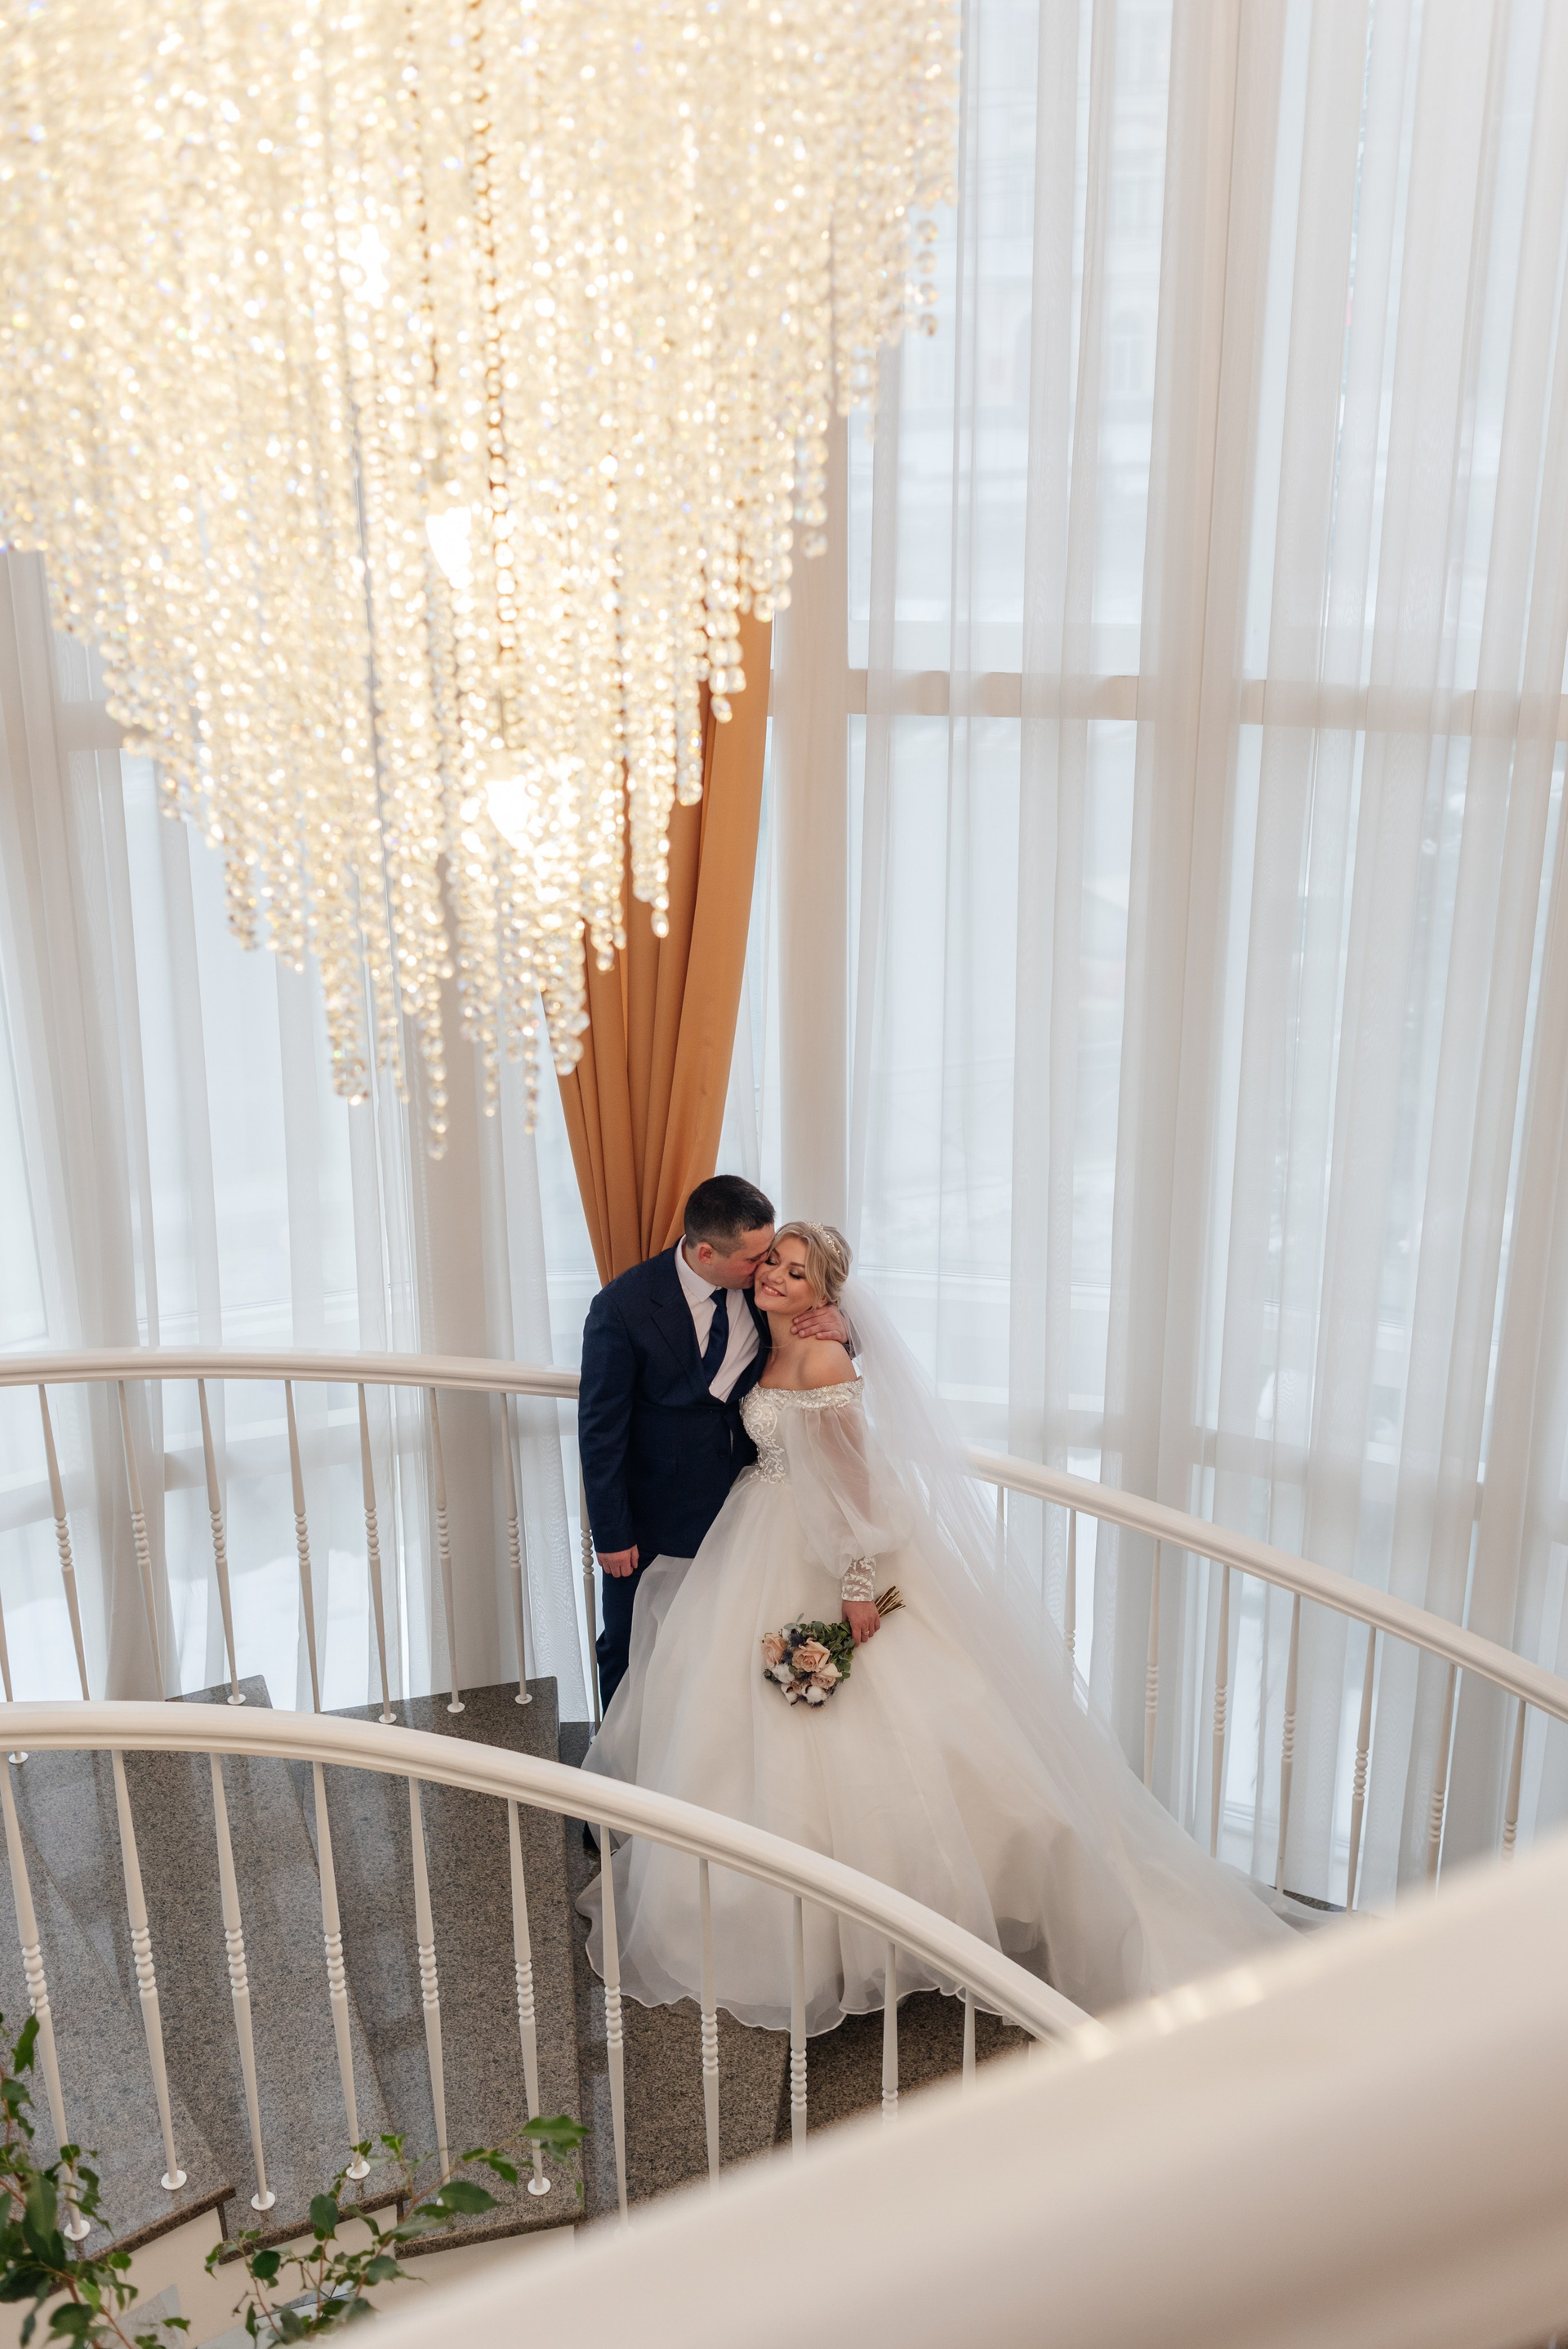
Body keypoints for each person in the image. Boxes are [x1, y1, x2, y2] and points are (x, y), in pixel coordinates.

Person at [579, 1221, 1302, 2034]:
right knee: (724, 1718)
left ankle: (885, 1921)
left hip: (822, 1547)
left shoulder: (823, 1358)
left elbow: (856, 1479)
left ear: (824, 1294)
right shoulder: (759, 1328)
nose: (775, 1275)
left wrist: (858, 1584)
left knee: (874, 1732)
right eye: (772, 1261)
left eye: (795, 1271)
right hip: (754, 1532)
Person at [577, 1175, 849, 1711]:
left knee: (715, 1653)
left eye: (771, 1254)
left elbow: (811, 1327)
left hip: (741, 1511)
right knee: (630, 1643)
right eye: (756, 1259)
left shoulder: (761, 1288)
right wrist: (611, 1531)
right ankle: (619, 1759)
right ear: (707, 1253)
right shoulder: (622, 1307)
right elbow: (600, 1428)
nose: (766, 1268)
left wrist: (842, 1323)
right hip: (652, 1514)